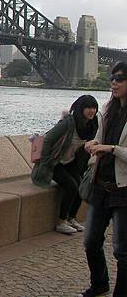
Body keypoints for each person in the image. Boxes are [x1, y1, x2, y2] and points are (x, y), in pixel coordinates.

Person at [81, 62, 127, 297]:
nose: (114, 83)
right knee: (90, 241)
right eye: (113, 78)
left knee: (121, 249)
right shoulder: (108, 111)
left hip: (124, 189)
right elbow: (99, 139)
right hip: (100, 184)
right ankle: (100, 283)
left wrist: (112, 149)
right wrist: (93, 145)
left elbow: (116, 149)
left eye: (120, 78)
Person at [31, 95, 99, 234]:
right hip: (56, 162)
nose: (92, 111)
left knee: (81, 186)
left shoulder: (92, 124)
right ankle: (61, 222)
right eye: (88, 107)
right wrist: (45, 162)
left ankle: (71, 218)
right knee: (71, 186)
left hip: (71, 162)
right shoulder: (68, 123)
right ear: (81, 108)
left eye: (94, 107)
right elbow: (48, 139)